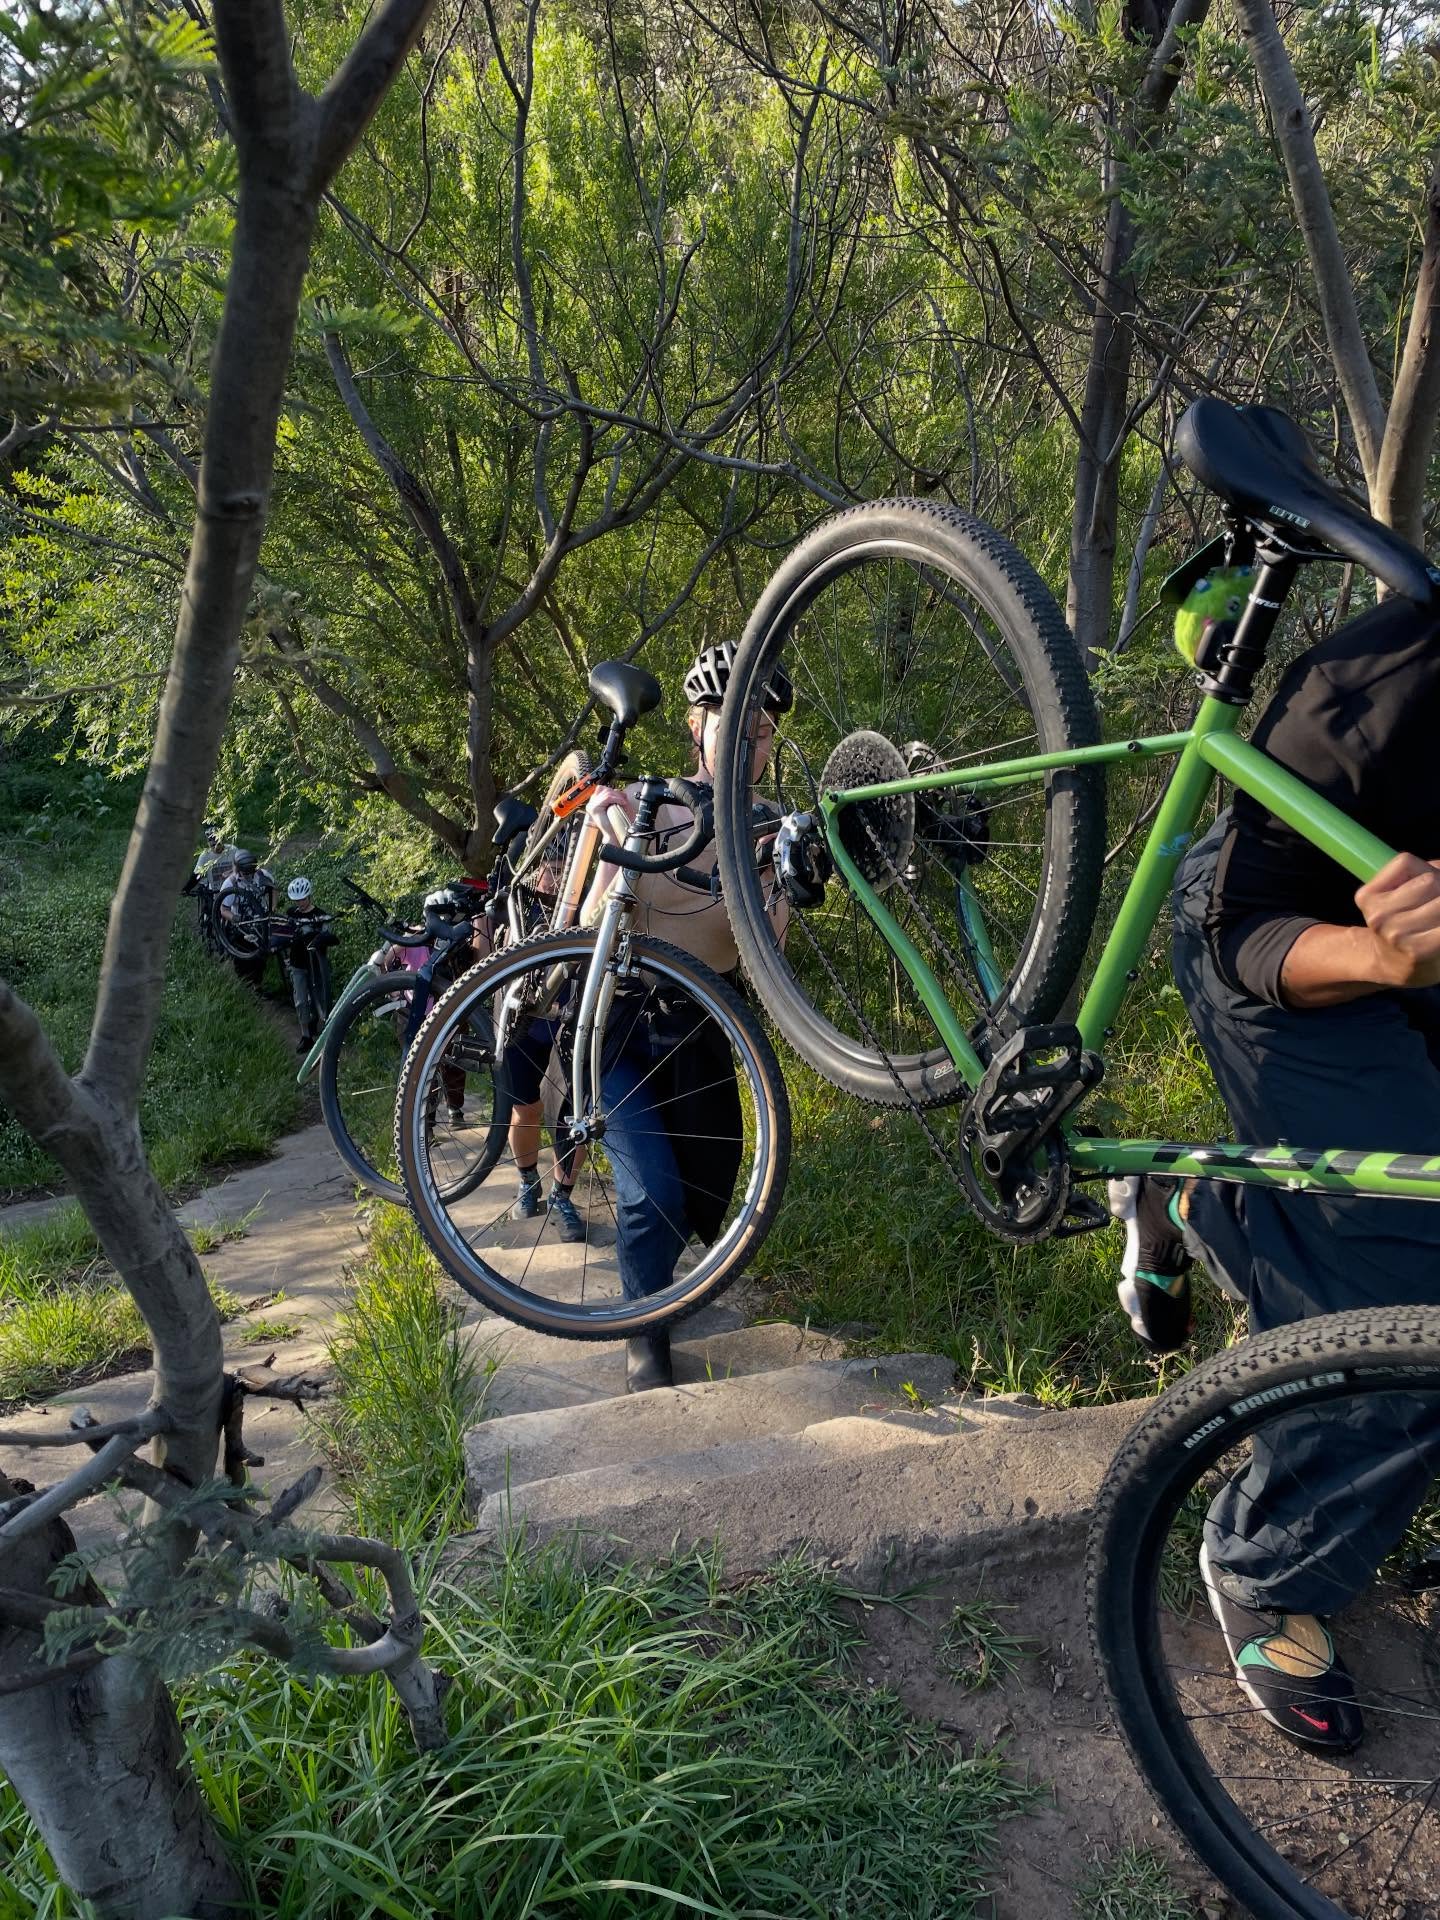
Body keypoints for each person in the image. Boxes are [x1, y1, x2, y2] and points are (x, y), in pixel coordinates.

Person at [1109, 590, 1440, 1755]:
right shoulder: (1397, 674)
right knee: (1421, 1294)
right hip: (1281, 936)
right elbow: (1244, 919)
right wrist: (1381, 954)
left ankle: (1214, 1206)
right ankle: (1267, 1555)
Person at [577, 642, 791, 1391]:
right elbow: (589, 921)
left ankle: (660, 1285)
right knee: (651, 1193)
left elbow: (766, 950)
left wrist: (783, 878)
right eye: (730, 722)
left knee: (707, 1190)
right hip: (624, 1028)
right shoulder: (651, 804)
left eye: (761, 729)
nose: (747, 739)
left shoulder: (775, 830)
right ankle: (645, 1329)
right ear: (696, 729)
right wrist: (615, 845)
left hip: (706, 1030)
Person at [216, 849, 275, 986]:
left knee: (260, 956)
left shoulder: (262, 875)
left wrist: (273, 908)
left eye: (251, 872)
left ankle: (257, 984)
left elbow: (274, 888)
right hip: (241, 923)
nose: (249, 876)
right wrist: (237, 919)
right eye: (245, 873)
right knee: (243, 957)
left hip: (261, 920)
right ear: (238, 870)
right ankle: (245, 985)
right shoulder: (230, 884)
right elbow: (223, 909)